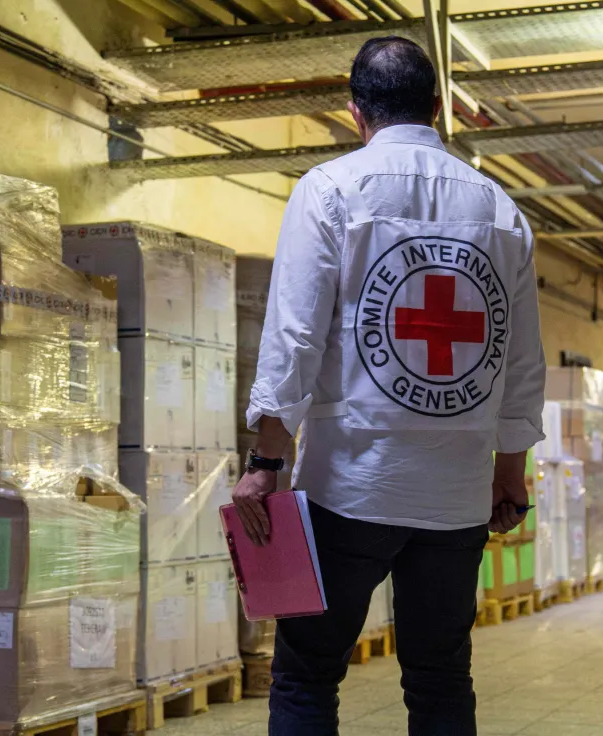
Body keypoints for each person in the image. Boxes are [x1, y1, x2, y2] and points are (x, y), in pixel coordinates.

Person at [234, 35, 546, 736]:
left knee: (309, 673)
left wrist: (265, 464)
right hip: (457, 495)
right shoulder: (502, 211)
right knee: (440, 680)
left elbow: (294, 336)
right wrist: (509, 469)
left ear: (354, 113)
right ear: (437, 109)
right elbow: (522, 359)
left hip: (352, 487)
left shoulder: (330, 190)